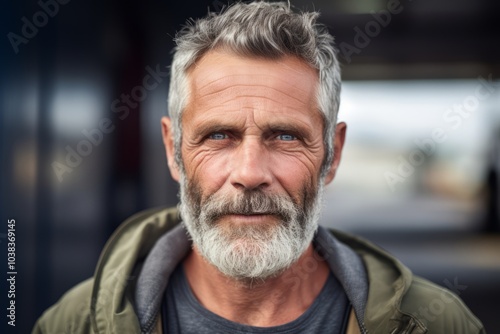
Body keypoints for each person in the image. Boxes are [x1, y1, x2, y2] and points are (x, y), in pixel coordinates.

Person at [33, 2, 485, 333]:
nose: (250, 173)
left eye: (285, 136)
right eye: (218, 136)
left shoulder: (438, 323)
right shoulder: (74, 323)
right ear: (173, 151)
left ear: (332, 153)